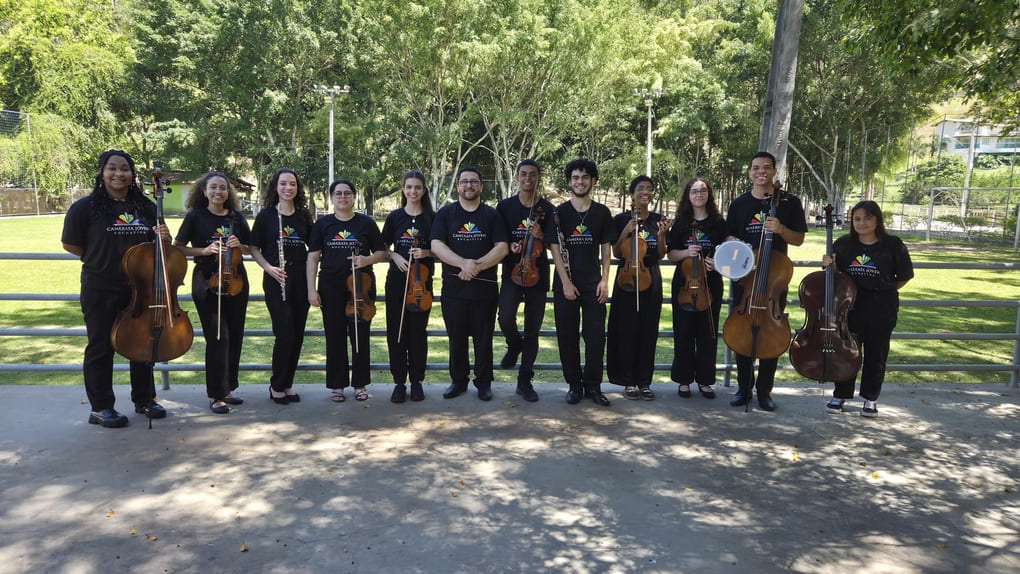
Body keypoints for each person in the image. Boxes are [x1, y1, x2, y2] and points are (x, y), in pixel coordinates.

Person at [61, 149, 169, 427]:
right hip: (101, 286)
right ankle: (101, 407)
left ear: (132, 174)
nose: (119, 173)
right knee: (100, 346)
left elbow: (160, 245)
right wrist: (102, 259)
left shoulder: (145, 207)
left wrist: (165, 237)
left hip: (140, 287)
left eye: (125, 168)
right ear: (102, 172)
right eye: (112, 168)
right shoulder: (85, 208)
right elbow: (71, 244)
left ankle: (144, 399)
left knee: (142, 342)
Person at [725, 151, 807, 411]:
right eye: (756, 167)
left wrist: (781, 229)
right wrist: (733, 242)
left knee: (771, 334)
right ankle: (743, 388)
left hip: (774, 280)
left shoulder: (790, 202)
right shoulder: (739, 204)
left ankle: (764, 391)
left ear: (774, 171)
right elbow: (729, 236)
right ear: (750, 172)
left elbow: (799, 239)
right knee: (741, 333)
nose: (761, 171)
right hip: (746, 277)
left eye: (766, 167)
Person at [823, 201, 913, 417]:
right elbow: (836, 275)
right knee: (846, 352)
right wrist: (829, 266)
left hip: (881, 308)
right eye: (857, 219)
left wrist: (883, 289)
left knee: (876, 354)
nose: (862, 223)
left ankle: (870, 398)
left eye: (868, 218)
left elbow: (904, 276)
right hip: (849, 308)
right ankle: (840, 394)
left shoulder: (893, 245)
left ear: (877, 220)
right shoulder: (843, 244)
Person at [174, 172, 251, 414]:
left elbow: (250, 248)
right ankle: (215, 394)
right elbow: (178, 248)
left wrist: (240, 245)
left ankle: (227, 389)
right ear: (204, 191)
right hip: (207, 280)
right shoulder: (195, 217)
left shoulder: (237, 217)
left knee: (235, 335)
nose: (218, 192)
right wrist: (204, 250)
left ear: (228, 192)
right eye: (213, 188)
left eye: (223, 188)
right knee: (218, 337)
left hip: (236, 279)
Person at [430, 167, 509, 401]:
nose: (469, 185)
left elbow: (502, 247)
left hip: (485, 290)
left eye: (474, 181)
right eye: (464, 181)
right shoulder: (446, 214)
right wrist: (463, 264)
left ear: (481, 186)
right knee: (456, 339)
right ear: (458, 186)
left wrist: (476, 267)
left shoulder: (491, 215)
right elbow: (436, 245)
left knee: (483, 339)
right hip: (453, 290)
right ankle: (458, 381)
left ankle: (484, 383)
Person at [306, 179, 387, 403]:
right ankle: (337, 385)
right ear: (331, 198)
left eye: (347, 193)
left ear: (354, 197)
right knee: (335, 335)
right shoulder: (323, 224)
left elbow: (381, 252)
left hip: (362, 285)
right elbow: (313, 257)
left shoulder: (366, 223)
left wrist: (366, 260)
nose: (343, 197)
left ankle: (360, 384)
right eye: (338, 194)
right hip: (330, 285)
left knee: (360, 334)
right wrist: (311, 289)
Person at [546, 159, 617, 406]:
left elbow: (606, 249)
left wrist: (605, 280)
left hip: (593, 284)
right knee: (567, 337)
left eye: (585, 177)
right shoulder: (559, 213)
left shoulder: (602, 212)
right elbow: (555, 250)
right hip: (565, 284)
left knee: (595, 337)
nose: (580, 182)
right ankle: (574, 386)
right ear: (569, 181)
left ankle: (594, 386)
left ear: (593, 181)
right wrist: (565, 283)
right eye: (575, 177)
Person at [249, 168, 313, 405]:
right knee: (285, 334)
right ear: (275, 187)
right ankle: (276, 385)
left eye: (292, 184)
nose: (288, 188)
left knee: (297, 335)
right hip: (276, 279)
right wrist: (268, 267)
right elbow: (253, 247)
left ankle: (287, 384)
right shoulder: (266, 216)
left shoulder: (304, 217)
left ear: (298, 188)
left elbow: (314, 248)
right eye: (283, 183)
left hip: (300, 278)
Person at [495, 159, 555, 402]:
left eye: (532, 174)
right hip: (513, 271)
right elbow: (499, 238)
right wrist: (511, 245)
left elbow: (554, 244)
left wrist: (542, 234)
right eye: (523, 174)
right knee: (505, 316)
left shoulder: (548, 209)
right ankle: (513, 345)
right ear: (517, 177)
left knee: (533, 329)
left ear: (538, 178)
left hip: (537, 274)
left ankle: (524, 381)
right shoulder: (505, 207)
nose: (528, 178)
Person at [606, 175, 669, 400]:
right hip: (626, 277)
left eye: (649, 188)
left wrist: (661, 236)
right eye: (641, 188)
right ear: (632, 194)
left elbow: (660, 254)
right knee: (626, 329)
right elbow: (616, 252)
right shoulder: (620, 218)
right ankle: (628, 381)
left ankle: (644, 381)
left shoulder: (658, 219)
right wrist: (626, 230)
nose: (645, 192)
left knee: (647, 330)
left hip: (650, 275)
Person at [667, 177, 726, 399]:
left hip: (710, 284)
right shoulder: (681, 223)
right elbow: (671, 254)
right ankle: (683, 379)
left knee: (707, 333)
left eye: (702, 190)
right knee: (683, 331)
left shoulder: (719, 223)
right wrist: (686, 252)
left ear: (708, 194)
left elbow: (727, 251)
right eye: (694, 191)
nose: (699, 194)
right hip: (684, 283)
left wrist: (716, 263)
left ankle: (705, 380)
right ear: (688, 195)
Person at [381, 170, 435, 403]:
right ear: (403, 189)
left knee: (418, 333)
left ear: (424, 190)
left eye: (418, 187)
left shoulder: (432, 217)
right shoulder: (394, 217)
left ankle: (416, 381)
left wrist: (426, 252)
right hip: (397, 281)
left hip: (422, 283)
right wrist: (394, 256)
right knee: (396, 332)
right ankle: (399, 382)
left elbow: (441, 247)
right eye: (409, 187)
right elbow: (382, 247)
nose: (413, 191)